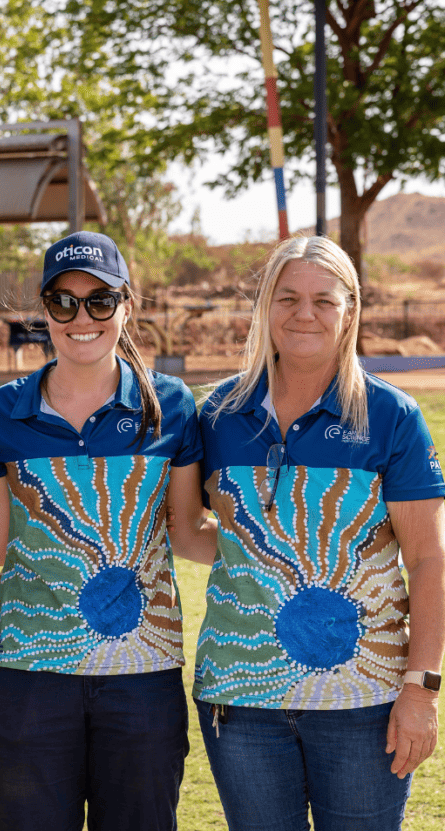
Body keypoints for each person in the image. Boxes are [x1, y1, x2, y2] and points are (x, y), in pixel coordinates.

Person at [194, 235, 445, 831]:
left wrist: (421, 689)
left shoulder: (391, 416)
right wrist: (260, 560)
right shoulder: (218, 415)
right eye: (287, 298)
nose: (304, 314)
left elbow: (429, 560)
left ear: (349, 311)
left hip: (363, 703)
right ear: (265, 306)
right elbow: (191, 529)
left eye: (324, 300)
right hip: (241, 699)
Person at [0, 231, 214, 831]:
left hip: (142, 673)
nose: (83, 318)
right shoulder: (2, 410)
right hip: (28, 671)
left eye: (101, 301)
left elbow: (187, 533)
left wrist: (288, 551)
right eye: (63, 302)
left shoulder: (171, 406)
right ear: (44, 311)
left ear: (126, 305)